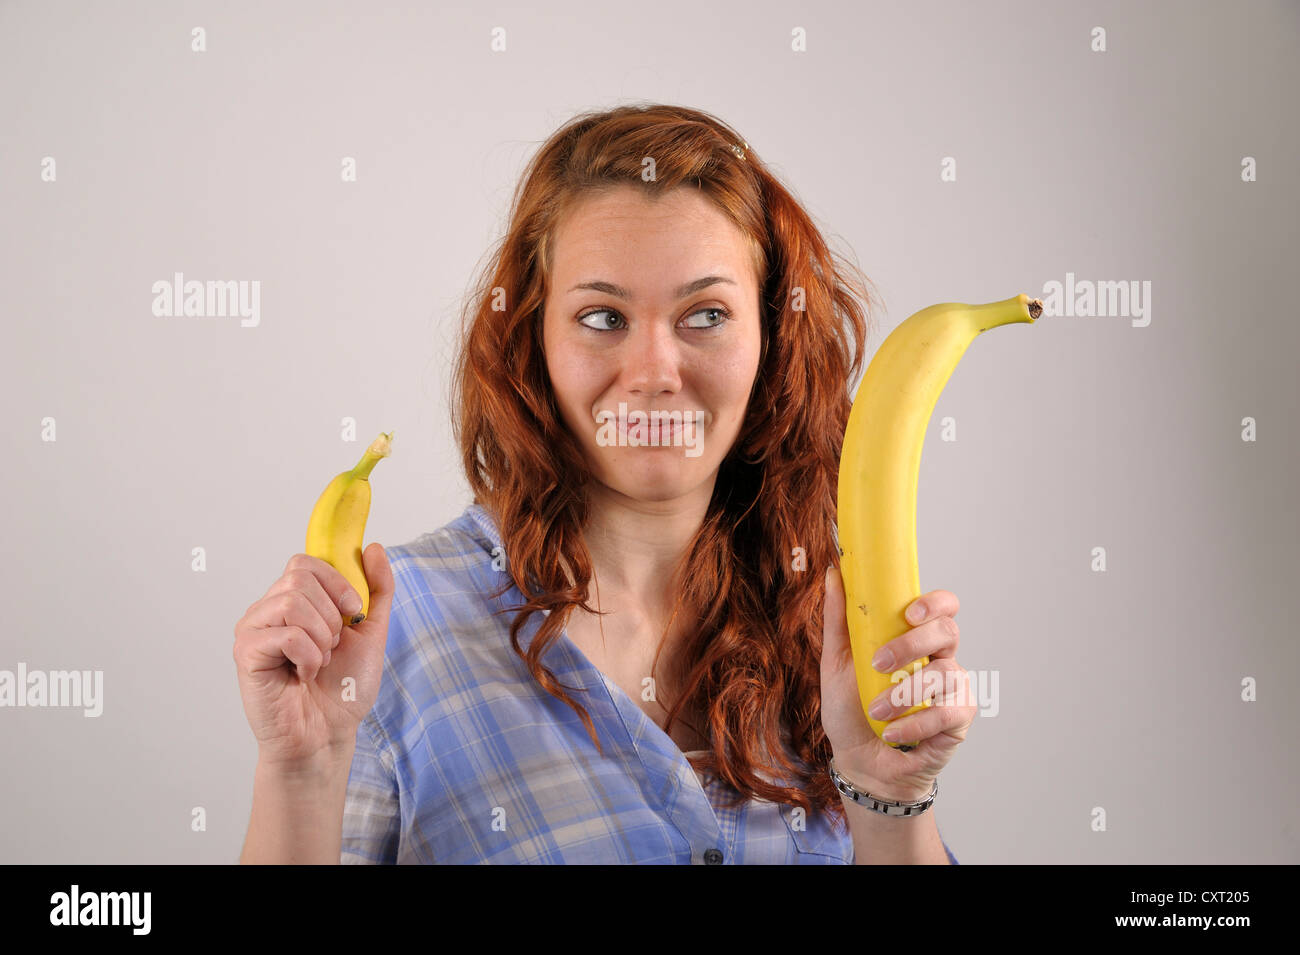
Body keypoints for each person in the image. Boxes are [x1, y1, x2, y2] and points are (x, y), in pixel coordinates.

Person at [234, 103, 976, 864]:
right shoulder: (384, 631)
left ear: (771, 338)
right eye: (601, 317)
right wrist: (302, 773)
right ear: (534, 338)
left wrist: (885, 792)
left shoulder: (838, 631)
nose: (654, 373)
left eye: (707, 313)